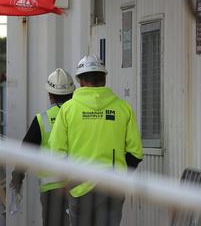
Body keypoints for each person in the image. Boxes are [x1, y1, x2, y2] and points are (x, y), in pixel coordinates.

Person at [49, 55, 143, 226]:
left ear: (81, 82)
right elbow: (135, 153)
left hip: (78, 186)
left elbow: (56, 151)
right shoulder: (123, 108)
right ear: (104, 79)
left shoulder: (68, 110)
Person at [10, 68, 75, 226]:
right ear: (72, 93)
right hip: (79, 187)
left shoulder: (42, 119)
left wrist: (17, 179)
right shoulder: (79, 116)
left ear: (50, 95)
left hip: (52, 190)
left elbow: (25, 152)